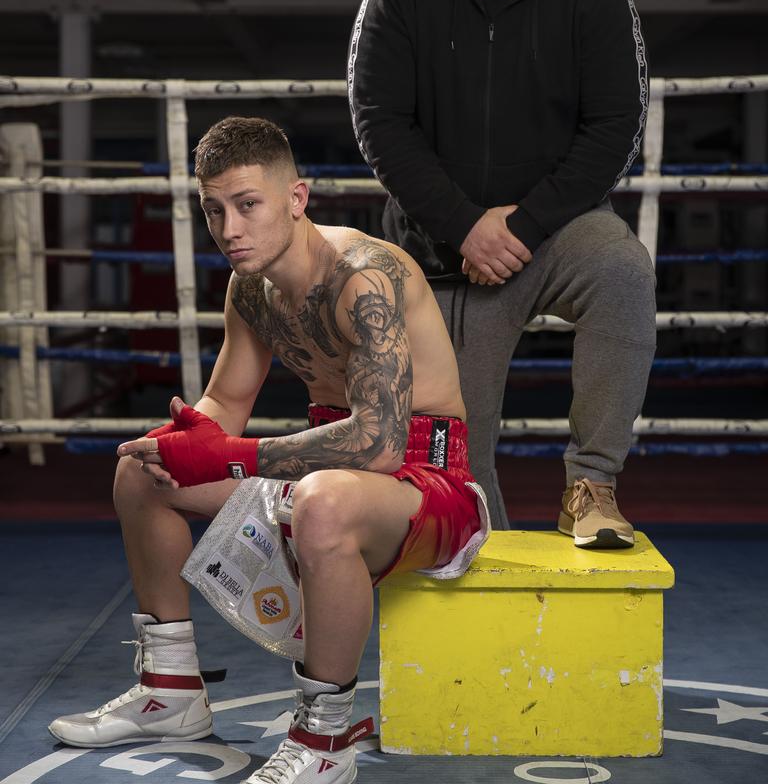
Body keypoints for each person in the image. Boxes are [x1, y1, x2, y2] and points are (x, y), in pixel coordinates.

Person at [48, 116, 488, 784]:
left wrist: (228, 456)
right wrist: (183, 439)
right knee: (140, 474)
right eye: (214, 211)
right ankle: (171, 692)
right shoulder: (250, 289)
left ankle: (324, 741)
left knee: (321, 502)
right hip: (328, 479)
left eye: (248, 205)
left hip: (426, 484)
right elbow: (225, 404)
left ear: (296, 198)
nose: (230, 230)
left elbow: (377, 443)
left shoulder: (365, 279)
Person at [348, 0, 657, 547]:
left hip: (552, 231)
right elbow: (379, 124)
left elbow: (616, 127)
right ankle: (472, 521)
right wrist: (464, 228)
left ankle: (591, 486)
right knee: (460, 468)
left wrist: (520, 226)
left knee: (622, 272)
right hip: (442, 243)